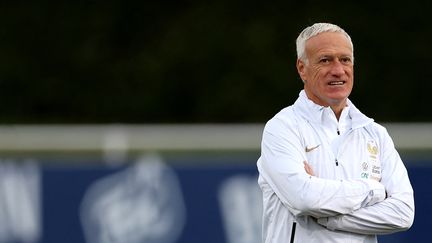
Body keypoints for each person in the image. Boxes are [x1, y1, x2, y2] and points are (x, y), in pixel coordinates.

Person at [256, 23, 415, 243]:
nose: (338, 70)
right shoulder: (282, 128)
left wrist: (328, 218)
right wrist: (374, 191)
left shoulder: (375, 134)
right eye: (325, 60)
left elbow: (402, 213)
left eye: (345, 60)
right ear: (302, 68)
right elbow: (305, 198)